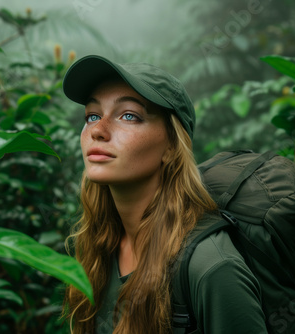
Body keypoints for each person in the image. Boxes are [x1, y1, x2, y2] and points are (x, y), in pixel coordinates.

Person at [61, 55, 267, 334]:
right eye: (92, 116)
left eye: (129, 115)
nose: (97, 130)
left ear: (171, 146)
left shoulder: (211, 267)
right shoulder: (99, 245)